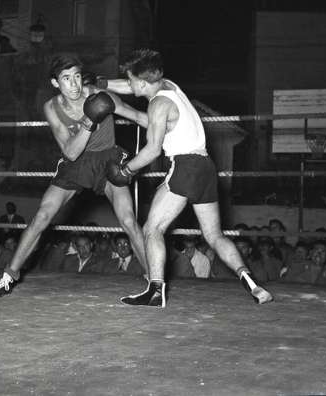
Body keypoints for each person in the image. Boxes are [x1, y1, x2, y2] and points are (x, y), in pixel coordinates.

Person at [104, 49, 273, 307]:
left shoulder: (158, 105)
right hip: (206, 166)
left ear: (142, 83)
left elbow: (152, 150)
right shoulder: (169, 86)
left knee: (152, 229)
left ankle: (155, 291)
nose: (128, 84)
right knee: (214, 236)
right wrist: (102, 84)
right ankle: (253, 285)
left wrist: (126, 170)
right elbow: (131, 88)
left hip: (185, 166)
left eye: (130, 80)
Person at [0, 54, 147, 297]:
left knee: (128, 220)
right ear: (55, 83)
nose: (74, 84)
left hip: (107, 160)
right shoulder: (52, 108)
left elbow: (139, 117)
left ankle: (154, 280)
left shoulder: (101, 96)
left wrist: (172, 127)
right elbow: (70, 152)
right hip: (76, 163)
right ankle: (8, 277)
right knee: (42, 216)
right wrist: (89, 120)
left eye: (77, 77)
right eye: (66, 78)